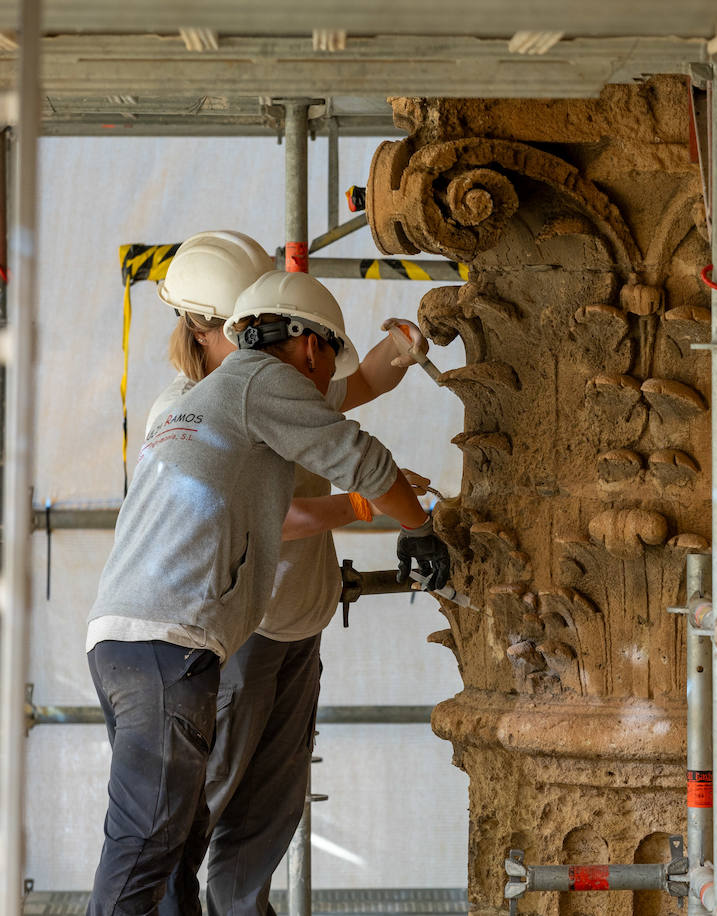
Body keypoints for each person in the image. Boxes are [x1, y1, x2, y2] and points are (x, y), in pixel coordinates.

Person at [86, 262, 450, 916]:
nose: (328, 380)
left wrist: (404, 344)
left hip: (133, 641)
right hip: (172, 644)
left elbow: (356, 386)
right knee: (150, 844)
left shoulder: (225, 392)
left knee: (163, 834)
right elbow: (364, 458)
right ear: (310, 347)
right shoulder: (265, 386)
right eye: (327, 359)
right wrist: (417, 526)